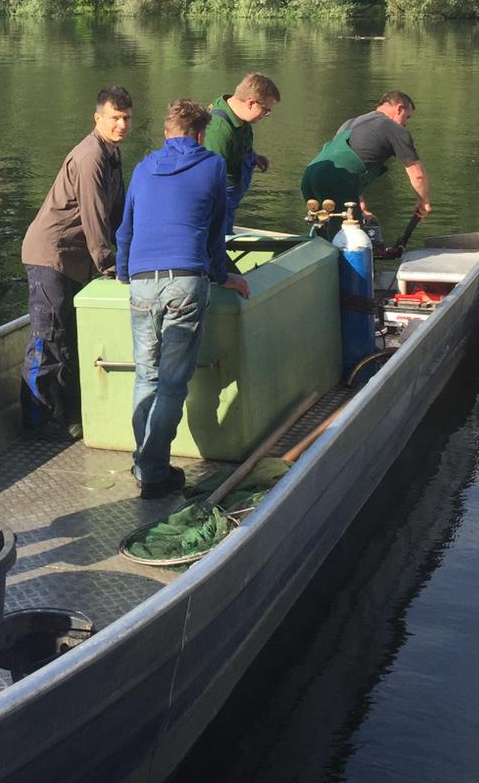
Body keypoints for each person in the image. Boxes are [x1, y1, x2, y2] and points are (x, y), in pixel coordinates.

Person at [115, 100, 250, 499]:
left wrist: (124, 272)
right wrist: (223, 275)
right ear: (200, 134)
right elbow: (214, 232)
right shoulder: (212, 166)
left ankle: (145, 461)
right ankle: (153, 471)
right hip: (185, 281)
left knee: (146, 375)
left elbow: (126, 229)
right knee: (173, 383)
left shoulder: (141, 168)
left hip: (141, 281)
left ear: (166, 132)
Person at [21, 85, 132, 438]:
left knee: (70, 338)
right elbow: (94, 217)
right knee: (48, 337)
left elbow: (118, 215)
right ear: (98, 117)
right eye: (115, 118)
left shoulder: (112, 154)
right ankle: (34, 423)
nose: (122, 125)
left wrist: (130, 250)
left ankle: (69, 415)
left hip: (75, 259)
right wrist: (109, 265)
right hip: (50, 256)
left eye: (127, 118)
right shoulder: (90, 157)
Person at [300, 90, 432, 232]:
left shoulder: (350, 123)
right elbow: (417, 174)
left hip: (310, 176)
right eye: (407, 117)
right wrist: (424, 201)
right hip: (337, 181)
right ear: (399, 108)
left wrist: (360, 204)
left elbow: (348, 162)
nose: (405, 123)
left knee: (324, 234)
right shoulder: (393, 128)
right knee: (350, 239)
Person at [202, 72, 281, 233]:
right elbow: (208, 179)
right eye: (266, 111)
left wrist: (254, 156)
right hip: (218, 205)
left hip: (229, 204)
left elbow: (236, 146)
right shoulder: (217, 131)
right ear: (251, 103)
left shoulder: (241, 118)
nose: (265, 116)